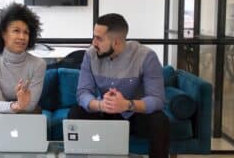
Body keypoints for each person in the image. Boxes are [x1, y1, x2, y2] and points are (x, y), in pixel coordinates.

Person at [68, 13, 170, 158]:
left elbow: (157, 99)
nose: (93, 43)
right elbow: (83, 92)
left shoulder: (145, 56)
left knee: (159, 120)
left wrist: (127, 105)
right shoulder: (90, 55)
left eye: (99, 39)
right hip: (104, 111)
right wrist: (100, 105)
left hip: (134, 115)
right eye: (94, 37)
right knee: (76, 112)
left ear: (116, 42)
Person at [0, 2, 46, 128]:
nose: (22, 37)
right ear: (3, 34)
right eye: (16, 31)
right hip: (5, 118)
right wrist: (17, 105)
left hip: (27, 117)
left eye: (26, 32)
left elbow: (29, 107)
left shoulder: (38, 65)